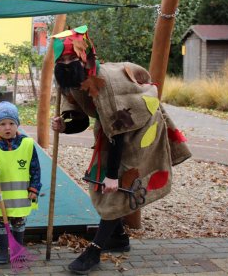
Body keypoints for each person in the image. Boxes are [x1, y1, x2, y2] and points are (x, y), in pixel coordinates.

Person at [50, 26, 191, 275]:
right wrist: (64, 126)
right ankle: (118, 238)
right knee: (100, 178)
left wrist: (113, 175)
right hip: (111, 129)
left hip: (139, 126)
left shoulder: (108, 85)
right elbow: (81, 121)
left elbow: (119, 132)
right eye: (62, 59)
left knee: (119, 184)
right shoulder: (68, 80)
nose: (66, 63)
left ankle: (94, 250)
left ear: (86, 57)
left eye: (72, 58)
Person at [0, 101, 42, 264]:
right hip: (0, 197)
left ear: (17, 124)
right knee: (1, 224)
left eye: (11, 123)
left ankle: (17, 250)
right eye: (2, 124)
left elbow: (35, 169)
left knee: (19, 223)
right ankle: (3, 250)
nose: (7, 127)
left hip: (20, 197)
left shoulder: (27, 144)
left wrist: (34, 188)